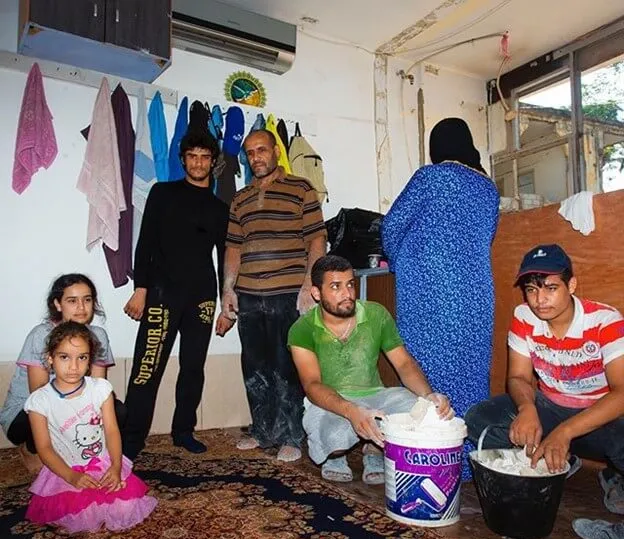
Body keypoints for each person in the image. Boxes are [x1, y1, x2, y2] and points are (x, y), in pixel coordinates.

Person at [464, 244, 624, 539]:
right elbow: (518, 377)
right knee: (481, 419)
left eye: (551, 288)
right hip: (550, 407)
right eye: (531, 290)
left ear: (571, 285)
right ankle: (556, 463)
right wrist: (527, 408)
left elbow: (622, 393)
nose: (540, 300)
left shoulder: (605, 320)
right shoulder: (524, 316)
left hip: (600, 417)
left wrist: (564, 432)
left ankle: (611, 481)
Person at [381, 117, 499, 479]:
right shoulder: (488, 189)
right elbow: (487, 236)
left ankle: (429, 456)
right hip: (476, 294)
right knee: (471, 374)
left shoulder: (430, 177)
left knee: (426, 370)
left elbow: (391, 225)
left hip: (429, 291)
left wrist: (400, 261)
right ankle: (467, 461)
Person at [288, 255, 454, 483]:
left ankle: (373, 449)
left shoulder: (376, 314)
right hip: (332, 400)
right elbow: (312, 385)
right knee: (334, 436)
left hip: (376, 396)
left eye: (350, 284)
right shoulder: (302, 329)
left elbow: (404, 364)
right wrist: (351, 411)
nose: (347, 294)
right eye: (335, 287)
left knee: (421, 411)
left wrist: (428, 396)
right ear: (316, 293)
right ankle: (335, 456)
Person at [122, 131, 233, 459]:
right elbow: (145, 242)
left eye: (204, 157)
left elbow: (225, 258)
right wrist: (140, 289)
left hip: (202, 297)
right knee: (147, 366)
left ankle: (183, 431)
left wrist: (226, 306)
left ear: (213, 162)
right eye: (192, 156)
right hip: (162, 293)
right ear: (183, 160)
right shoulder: (162, 193)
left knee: (193, 367)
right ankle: (132, 437)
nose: (198, 163)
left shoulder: (219, 208)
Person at [222, 129, 326, 462]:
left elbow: (317, 239)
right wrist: (227, 289)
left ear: (276, 152)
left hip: (288, 294)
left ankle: (291, 436)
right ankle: (262, 430)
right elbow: (233, 247)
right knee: (254, 367)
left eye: (262, 150)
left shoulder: (301, 189)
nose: (256, 157)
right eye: (250, 153)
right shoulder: (240, 198)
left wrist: (309, 285)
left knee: (287, 366)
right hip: (249, 296)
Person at [24, 321, 157, 533]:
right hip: (65, 469)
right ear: (50, 358)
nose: (73, 366)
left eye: (82, 357)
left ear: (89, 361)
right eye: (64, 357)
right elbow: (44, 448)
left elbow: (111, 431)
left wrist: (115, 466)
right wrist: (71, 476)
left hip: (102, 463)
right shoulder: (39, 401)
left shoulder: (100, 389)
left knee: (126, 507)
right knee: (78, 514)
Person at [0, 274, 122, 474]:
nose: (81, 307)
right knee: (52, 410)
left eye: (87, 300)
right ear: (57, 304)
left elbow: (99, 387)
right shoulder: (42, 334)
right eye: (72, 301)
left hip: (76, 405)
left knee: (118, 411)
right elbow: (39, 393)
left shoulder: (98, 335)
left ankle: (77, 449)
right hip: (27, 413)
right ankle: (31, 448)